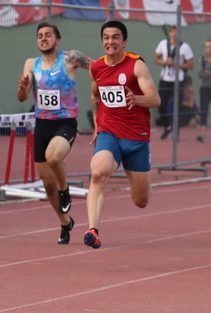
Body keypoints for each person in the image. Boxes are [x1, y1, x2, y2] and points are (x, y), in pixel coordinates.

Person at [85, 20, 161, 249]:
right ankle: (92, 230)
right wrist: (99, 126)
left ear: (124, 41)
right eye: (106, 37)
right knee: (98, 172)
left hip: (136, 139)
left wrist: (137, 99)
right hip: (110, 133)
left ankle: (145, 184)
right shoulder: (96, 67)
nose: (111, 42)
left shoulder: (136, 65)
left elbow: (155, 99)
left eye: (116, 37)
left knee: (141, 201)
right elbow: (94, 98)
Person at [16, 22, 91, 244]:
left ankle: (65, 190)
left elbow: (98, 67)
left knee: (54, 157)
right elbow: (22, 97)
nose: (43, 38)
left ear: (57, 40)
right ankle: (65, 222)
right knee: (47, 184)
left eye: (48, 35)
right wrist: (22, 86)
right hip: (42, 125)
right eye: (40, 35)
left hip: (65, 123)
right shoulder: (32, 63)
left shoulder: (70, 58)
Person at [154, 25, 194, 140]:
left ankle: (176, 132)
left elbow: (190, 65)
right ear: (170, 33)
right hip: (165, 78)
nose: (174, 34)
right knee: (161, 103)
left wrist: (176, 64)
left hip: (178, 79)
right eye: (172, 32)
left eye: (177, 32)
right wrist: (164, 62)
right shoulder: (163, 44)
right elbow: (156, 59)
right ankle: (167, 126)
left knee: (177, 105)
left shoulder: (184, 47)